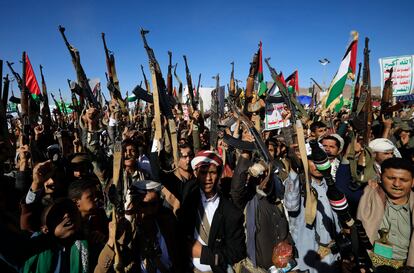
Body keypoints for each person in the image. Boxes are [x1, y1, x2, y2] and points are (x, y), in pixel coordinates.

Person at [163, 150, 246, 272]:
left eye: (212, 172)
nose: (208, 178)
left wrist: (205, 254)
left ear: (218, 174)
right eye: (203, 172)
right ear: (196, 173)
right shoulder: (188, 196)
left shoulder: (230, 211)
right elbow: (159, 173)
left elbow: (237, 252)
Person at [95, 179, 184, 273]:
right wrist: (114, 238)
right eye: (144, 205)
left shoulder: (167, 223)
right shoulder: (125, 231)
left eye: (153, 204)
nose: (149, 210)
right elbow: (103, 269)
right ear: (134, 205)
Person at [284, 144, 342, 273]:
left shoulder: (330, 184)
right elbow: (291, 205)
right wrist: (294, 169)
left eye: (320, 161)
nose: (316, 166)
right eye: (312, 161)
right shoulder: (298, 185)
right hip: (308, 259)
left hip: (332, 256)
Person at [357, 157, 414, 269]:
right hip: (371, 266)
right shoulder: (369, 195)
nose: (397, 184)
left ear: (413, 182)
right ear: (381, 177)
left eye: (403, 180)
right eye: (391, 178)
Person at [22, 198, 89, 273]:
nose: (67, 215)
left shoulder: (88, 244)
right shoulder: (34, 251)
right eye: (59, 214)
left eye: (70, 211)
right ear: (45, 229)